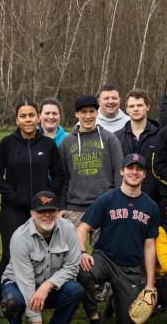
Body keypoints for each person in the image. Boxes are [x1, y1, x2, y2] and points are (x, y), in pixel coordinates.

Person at [0, 101, 66, 324]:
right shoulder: (6, 143)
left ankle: (35, 300)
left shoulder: (47, 144)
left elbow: (59, 175)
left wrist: (47, 197)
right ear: (16, 119)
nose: (28, 119)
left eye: (32, 115)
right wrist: (13, 195)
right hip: (13, 209)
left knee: (42, 255)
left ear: (38, 117)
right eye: (23, 116)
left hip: (42, 212)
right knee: (9, 255)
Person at [76, 153, 160, 323]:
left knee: (130, 319)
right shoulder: (107, 199)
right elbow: (82, 228)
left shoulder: (151, 207)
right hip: (105, 259)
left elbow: (150, 246)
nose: (134, 172)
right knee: (83, 271)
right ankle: (93, 316)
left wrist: (150, 284)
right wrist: (83, 252)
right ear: (122, 171)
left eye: (139, 169)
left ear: (144, 174)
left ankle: (115, 300)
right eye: (130, 168)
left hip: (130, 268)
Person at [1, 190, 84, 324]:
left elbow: (72, 266)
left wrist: (46, 286)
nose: (47, 215)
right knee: (12, 302)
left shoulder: (68, 228)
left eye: (51, 210)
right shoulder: (20, 237)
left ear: (57, 212)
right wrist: (36, 319)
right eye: (41, 211)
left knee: (75, 290)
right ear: (32, 214)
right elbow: (26, 282)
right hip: (19, 284)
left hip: (51, 285)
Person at [60, 94, 123, 245]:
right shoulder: (66, 142)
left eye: (91, 111)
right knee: (73, 254)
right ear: (77, 114)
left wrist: (117, 203)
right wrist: (61, 207)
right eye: (83, 112)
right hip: (74, 208)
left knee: (104, 253)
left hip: (104, 206)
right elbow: (62, 177)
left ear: (97, 112)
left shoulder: (110, 139)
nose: (88, 116)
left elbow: (119, 174)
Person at [115, 89, 161, 202]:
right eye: (131, 106)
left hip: (154, 198)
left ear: (147, 107)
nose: (135, 109)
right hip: (123, 197)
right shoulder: (116, 138)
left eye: (139, 105)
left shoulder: (160, 136)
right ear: (126, 109)